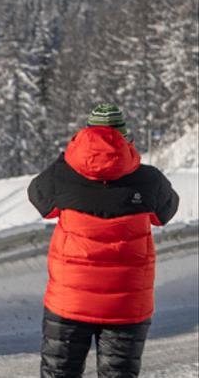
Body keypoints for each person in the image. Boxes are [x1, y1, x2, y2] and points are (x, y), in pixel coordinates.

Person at [28, 104, 181, 378]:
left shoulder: (63, 173)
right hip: (127, 304)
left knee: (59, 373)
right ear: (125, 138)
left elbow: (39, 199)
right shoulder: (149, 180)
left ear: (86, 133)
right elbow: (166, 213)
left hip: (68, 299)